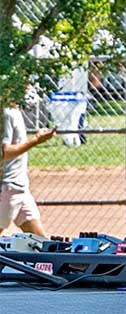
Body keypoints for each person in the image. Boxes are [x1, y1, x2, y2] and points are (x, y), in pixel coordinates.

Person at [3, 97, 58, 237]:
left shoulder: (14, 110)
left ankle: (48, 259)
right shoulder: (5, 113)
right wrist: (35, 141)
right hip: (7, 187)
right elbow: (5, 153)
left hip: (19, 187)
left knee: (41, 242)